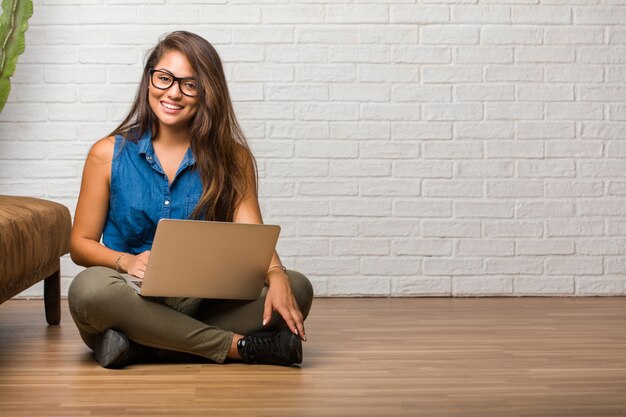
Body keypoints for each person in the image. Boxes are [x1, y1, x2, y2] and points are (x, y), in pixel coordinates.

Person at [67, 31, 314, 369]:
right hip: (128, 295)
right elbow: (80, 245)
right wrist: (126, 262)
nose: (173, 92)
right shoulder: (107, 153)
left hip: (205, 300)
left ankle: (142, 346)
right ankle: (239, 347)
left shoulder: (234, 158)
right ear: (149, 80)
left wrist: (278, 275)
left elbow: (252, 233)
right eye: (164, 78)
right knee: (89, 290)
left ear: (207, 92)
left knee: (298, 287)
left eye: (189, 84)